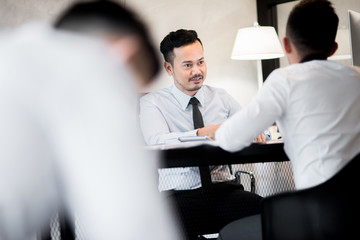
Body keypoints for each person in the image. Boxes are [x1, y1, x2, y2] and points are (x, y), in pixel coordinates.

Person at [0, 1, 179, 240]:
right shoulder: (92, 64)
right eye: (129, 85)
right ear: (125, 54)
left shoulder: (15, 52)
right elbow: (130, 221)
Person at [216, 0, 360, 190]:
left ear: (285, 44)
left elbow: (229, 138)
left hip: (319, 205)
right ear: (333, 48)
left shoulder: (284, 80)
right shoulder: (357, 75)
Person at [139, 29, 262, 239]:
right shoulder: (152, 103)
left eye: (201, 62)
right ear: (169, 68)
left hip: (224, 190)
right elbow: (157, 140)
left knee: (268, 214)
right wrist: (201, 133)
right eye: (188, 65)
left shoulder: (222, 97)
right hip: (179, 196)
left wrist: (255, 131)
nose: (197, 70)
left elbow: (250, 125)